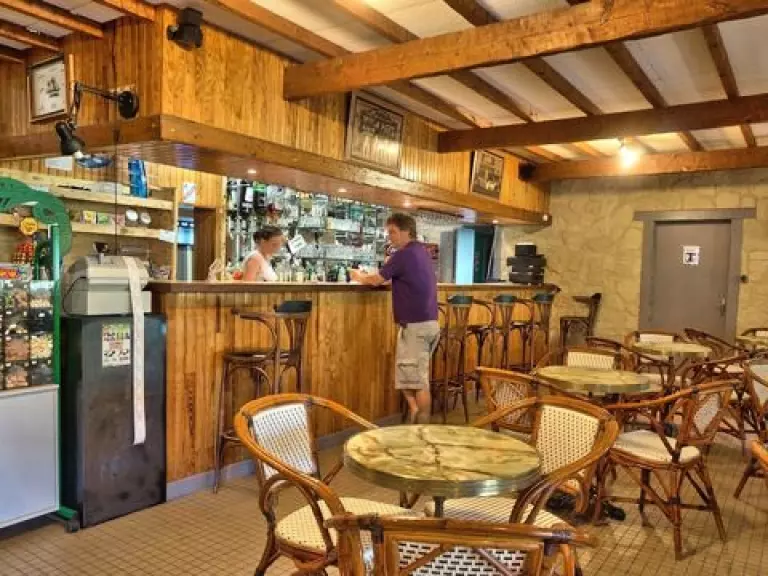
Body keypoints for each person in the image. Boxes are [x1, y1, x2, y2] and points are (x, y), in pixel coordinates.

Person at [350, 213, 439, 423]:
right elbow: (403, 279)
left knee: (418, 382)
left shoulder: (403, 254)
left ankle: (422, 430)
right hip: (429, 324)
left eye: (393, 232)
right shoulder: (423, 252)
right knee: (409, 374)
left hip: (415, 326)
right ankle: (415, 412)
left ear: (406, 231)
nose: (389, 237)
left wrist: (358, 276)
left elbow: (375, 280)